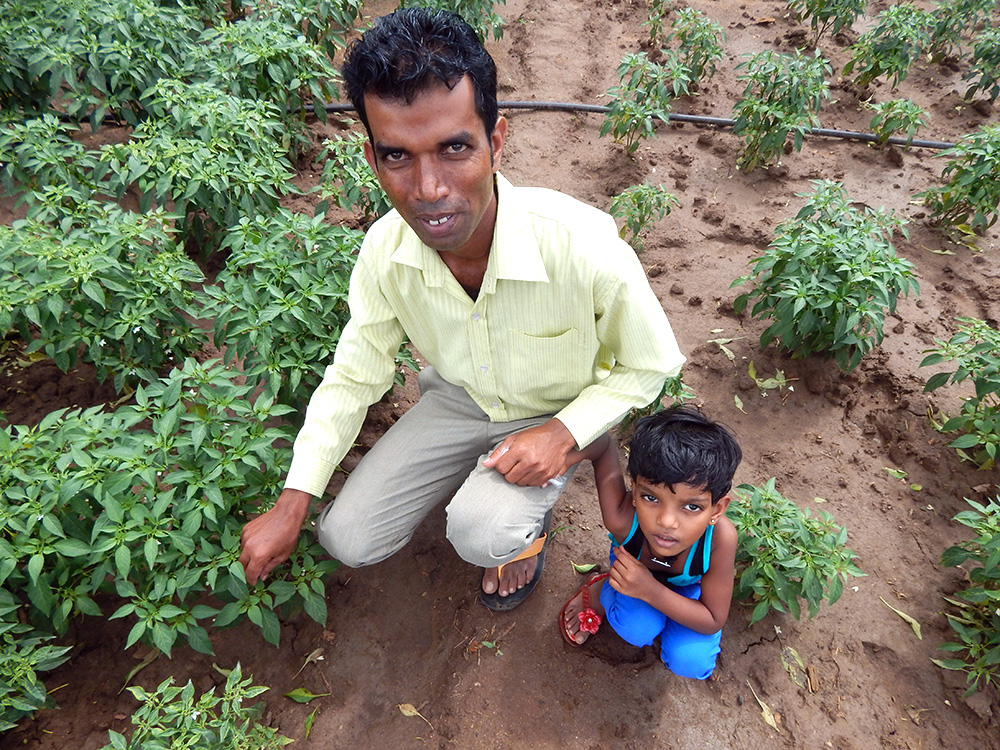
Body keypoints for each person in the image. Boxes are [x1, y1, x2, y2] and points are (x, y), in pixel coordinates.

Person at [238, 7, 685, 611]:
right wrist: (293, 500)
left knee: (483, 532)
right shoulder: (385, 255)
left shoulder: (581, 245)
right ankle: (485, 474)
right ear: (373, 159)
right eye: (398, 156)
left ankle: (542, 508)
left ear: (495, 140)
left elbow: (650, 364)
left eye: (454, 148)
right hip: (461, 398)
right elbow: (354, 375)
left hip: (557, 405)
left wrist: (562, 433)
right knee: (346, 538)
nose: (428, 189)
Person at [559, 405, 742, 679]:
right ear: (634, 490)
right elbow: (602, 446)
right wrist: (559, 456)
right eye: (651, 498)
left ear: (716, 509)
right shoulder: (622, 518)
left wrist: (651, 592)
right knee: (637, 628)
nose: (667, 521)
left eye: (691, 507)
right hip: (628, 579)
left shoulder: (720, 540)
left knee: (691, 661)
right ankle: (600, 593)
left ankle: (657, 617)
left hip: (688, 594)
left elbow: (713, 619)